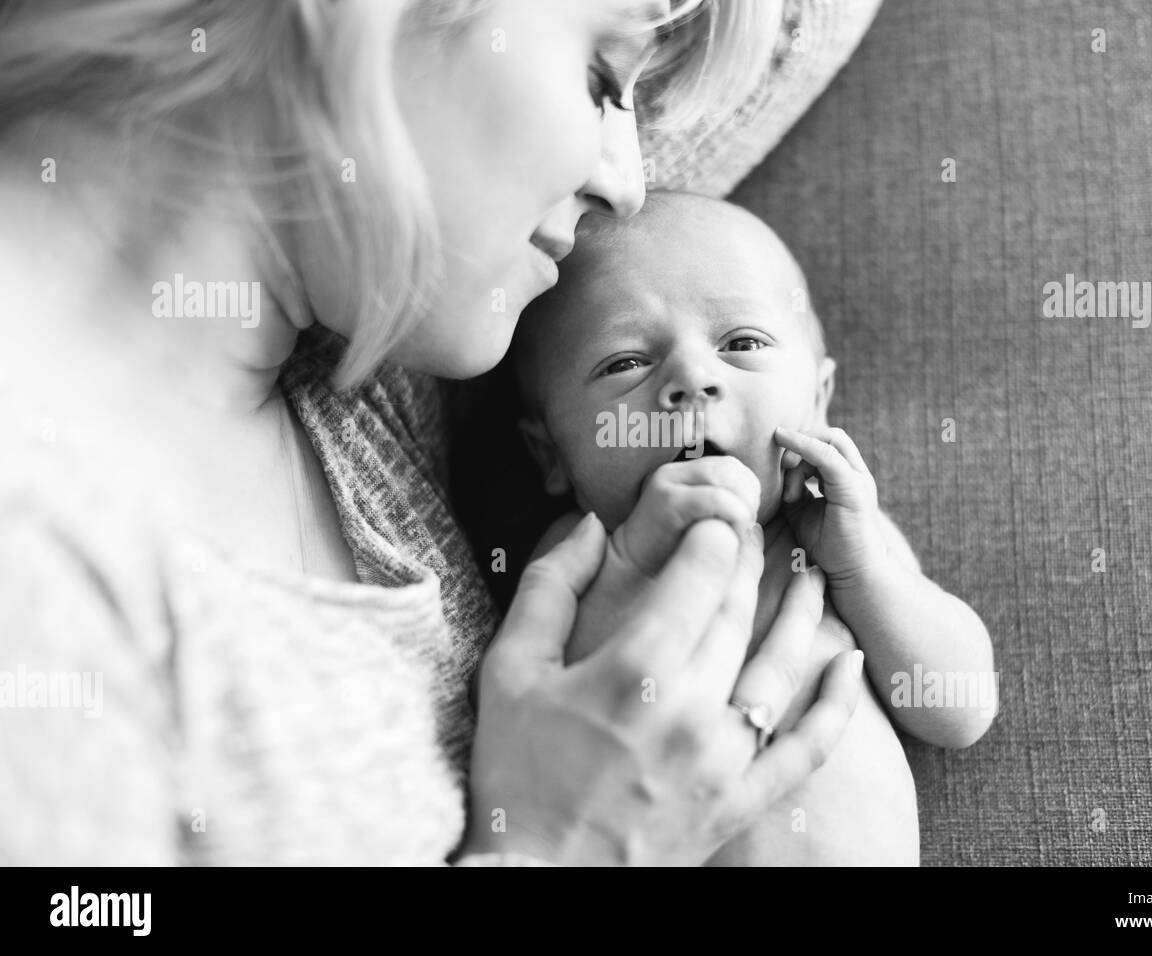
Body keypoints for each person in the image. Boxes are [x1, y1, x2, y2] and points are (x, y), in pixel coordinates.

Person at [0, 0, 864, 866]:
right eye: (599, 79)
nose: (628, 185)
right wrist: (562, 846)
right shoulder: (46, 577)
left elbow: (799, 27)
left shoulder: (374, 303)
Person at [510, 191, 997, 864]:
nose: (692, 378)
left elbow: (960, 710)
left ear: (818, 401)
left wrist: (865, 573)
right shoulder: (572, 560)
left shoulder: (833, 537)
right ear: (551, 453)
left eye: (742, 343)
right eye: (625, 362)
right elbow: (521, 730)